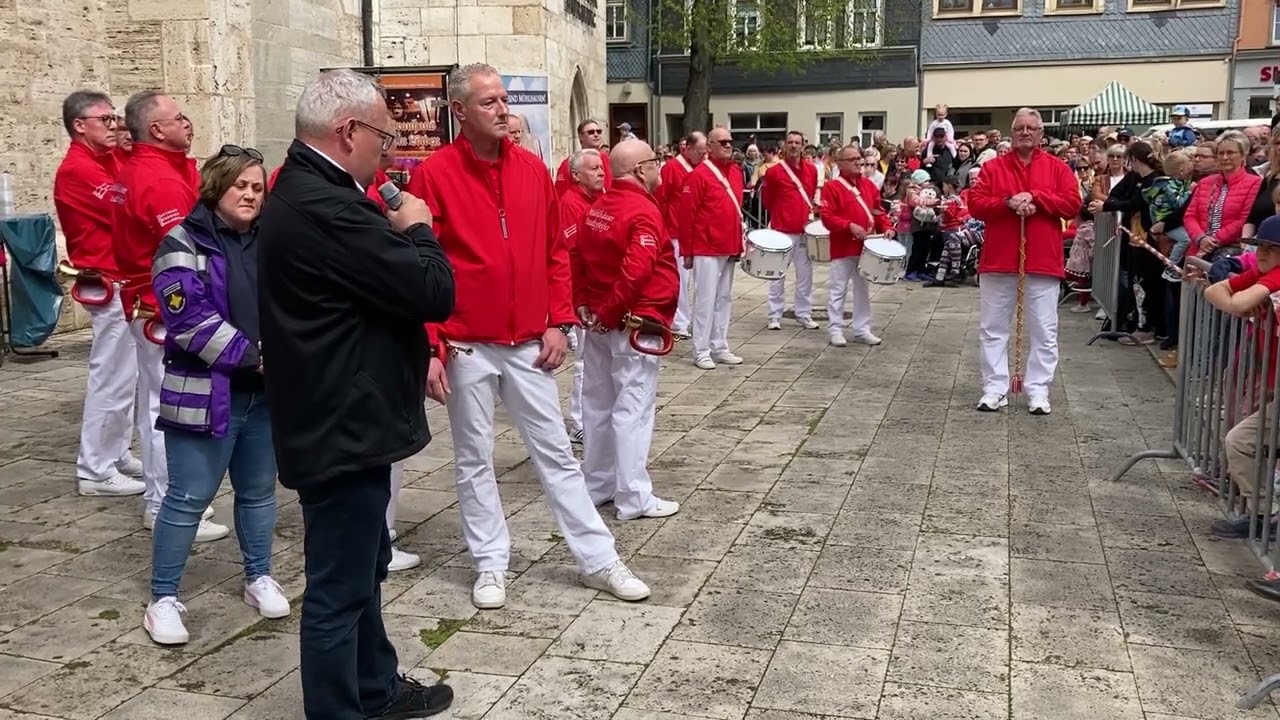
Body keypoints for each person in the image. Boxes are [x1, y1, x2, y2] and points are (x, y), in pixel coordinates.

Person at [407, 63, 652, 611]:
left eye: (503, 100)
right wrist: (431, 344)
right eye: (488, 102)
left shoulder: (531, 170)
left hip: (527, 339)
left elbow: (554, 252)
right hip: (467, 338)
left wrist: (558, 321)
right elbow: (421, 264)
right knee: (473, 456)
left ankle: (599, 559)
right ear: (459, 111)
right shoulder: (435, 175)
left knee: (557, 454)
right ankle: (490, 561)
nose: (502, 110)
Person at [257, 68, 456, 719]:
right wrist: (421, 227)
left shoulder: (309, 189)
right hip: (340, 425)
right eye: (383, 136)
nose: (389, 151)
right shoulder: (329, 207)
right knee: (338, 593)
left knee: (363, 570)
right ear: (347, 132)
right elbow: (431, 290)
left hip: (340, 416)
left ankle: (375, 686)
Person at [142, 145, 291, 644]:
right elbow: (188, 320)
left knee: (257, 493)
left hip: (265, 397)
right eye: (240, 185)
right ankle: (163, 597)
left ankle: (257, 576)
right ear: (216, 187)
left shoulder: (272, 240)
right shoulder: (180, 243)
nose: (250, 194)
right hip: (205, 396)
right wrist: (256, 356)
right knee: (187, 498)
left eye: (257, 187)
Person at [115, 91, 229, 541]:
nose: (188, 122)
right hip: (166, 309)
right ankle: (168, 504)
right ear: (156, 130)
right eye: (178, 117)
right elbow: (186, 249)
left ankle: (162, 500)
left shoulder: (157, 170)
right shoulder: (157, 180)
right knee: (171, 406)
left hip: (152, 304)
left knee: (155, 403)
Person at [574, 139, 681, 521]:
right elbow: (636, 270)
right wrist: (610, 311)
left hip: (605, 321)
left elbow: (580, 256)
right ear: (640, 170)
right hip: (632, 321)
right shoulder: (642, 211)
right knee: (632, 409)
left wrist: (588, 303)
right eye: (654, 163)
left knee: (598, 404)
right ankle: (633, 496)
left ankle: (598, 483)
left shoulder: (599, 206)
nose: (659, 170)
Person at [52, 90, 145, 497]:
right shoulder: (78, 169)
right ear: (79, 125)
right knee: (111, 376)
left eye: (115, 119)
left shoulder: (106, 160)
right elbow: (126, 205)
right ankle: (95, 467)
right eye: (105, 120)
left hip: (124, 279)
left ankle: (116, 451)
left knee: (129, 377)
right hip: (108, 279)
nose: (114, 126)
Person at [967, 108, 1081, 415]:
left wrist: (1036, 197)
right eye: (1020, 127)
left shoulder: (1058, 168)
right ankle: (994, 387)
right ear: (1012, 132)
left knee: (1044, 329)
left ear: (1041, 134)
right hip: (999, 259)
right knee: (992, 328)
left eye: (1032, 127)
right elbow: (975, 204)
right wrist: (1008, 202)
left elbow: (1072, 203)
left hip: (1043, 260)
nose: (1026, 132)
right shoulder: (992, 168)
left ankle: (1038, 389)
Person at [1204, 215, 1280, 539]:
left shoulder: (1275, 276)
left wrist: (1245, 302)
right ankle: (1266, 517)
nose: (1261, 253)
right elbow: (1214, 292)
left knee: (1242, 441)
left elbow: (1239, 300)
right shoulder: (1262, 272)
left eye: (1271, 248)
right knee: (1240, 441)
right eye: (1259, 246)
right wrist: (1241, 304)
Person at [680, 126, 745, 370]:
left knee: (724, 298)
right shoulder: (698, 175)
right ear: (709, 147)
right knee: (706, 299)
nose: (728, 145)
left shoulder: (736, 173)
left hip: (728, 244)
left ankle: (719, 344)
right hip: (706, 246)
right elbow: (686, 216)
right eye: (722, 142)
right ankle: (701, 349)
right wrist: (687, 252)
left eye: (730, 141)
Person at [820, 144, 892, 347]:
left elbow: (878, 212)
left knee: (863, 289)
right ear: (840, 164)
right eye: (852, 159)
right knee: (838, 288)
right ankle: (835, 328)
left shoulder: (869, 186)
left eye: (859, 158)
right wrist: (848, 226)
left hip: (866, 246)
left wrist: (886, 227)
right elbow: (826, 217)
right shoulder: (832, 187)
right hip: (842, 246)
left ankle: (862, 329)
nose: (858, 162)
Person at [558, 148, 607, 444]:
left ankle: (595, 417)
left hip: (601, 291)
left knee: (598, 361)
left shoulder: (603, 200)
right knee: (584, 361)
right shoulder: (570, 204)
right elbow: (571, 254)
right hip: (583, 292)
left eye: (601, 167)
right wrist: (576, 300)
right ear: (576, 175)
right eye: (593, 169)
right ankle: (577, 420)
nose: (601, 172)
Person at [761, 130, 820, 331]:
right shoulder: (773, 172)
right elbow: (767, 201)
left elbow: (810, 194)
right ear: (784, 145)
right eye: (790, 142)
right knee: (777, 274)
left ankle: (804, 313)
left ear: (803, 146)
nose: (794, 146)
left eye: (797, 142)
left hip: (804, 230)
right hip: (781, 230)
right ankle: (774, 315)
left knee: (805, 275)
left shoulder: (812, 170)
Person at [655, 132, 707, 338]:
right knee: (681, 280)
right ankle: (680, 320)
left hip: (698, 233)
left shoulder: (700, 168)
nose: (703, 157)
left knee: (700, 280)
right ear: (687, 149)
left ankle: (697, 320)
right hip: (676, 231)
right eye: (700, 153)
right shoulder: (672, 168)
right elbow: (661, 198)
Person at [555, 119, 613, 195]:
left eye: (598, 131)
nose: (596, 135)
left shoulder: (608, 160)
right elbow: (561, 191)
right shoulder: (569, 163)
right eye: (591, 132)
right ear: (580, 136)